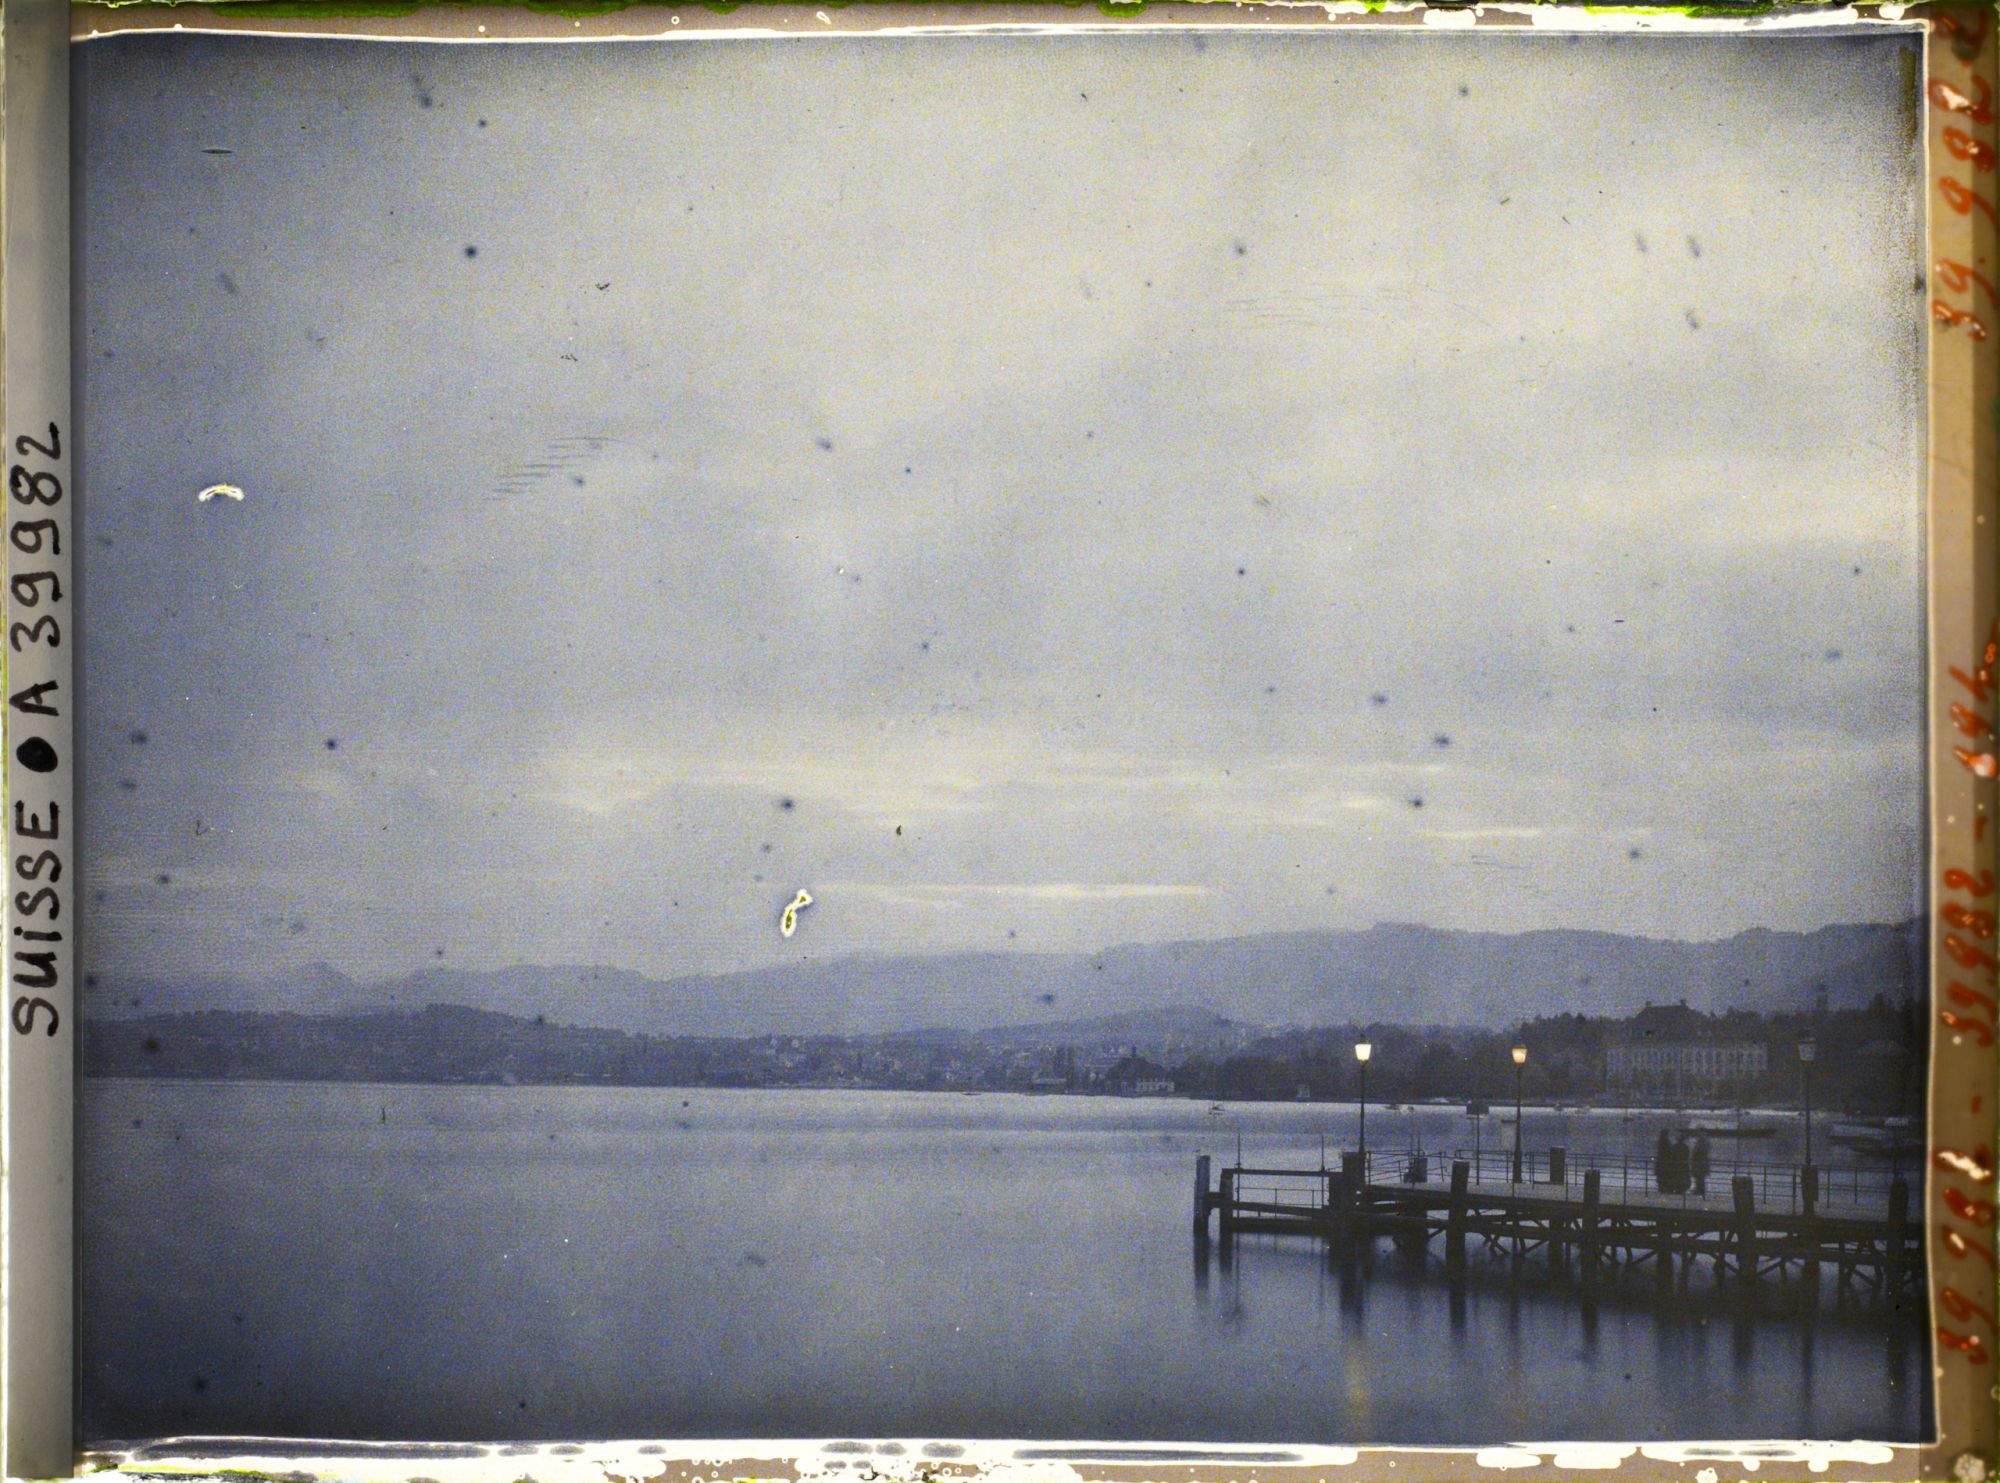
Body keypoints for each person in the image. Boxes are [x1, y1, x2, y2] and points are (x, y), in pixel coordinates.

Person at [1654, 1128, 1674, 1194]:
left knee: (1662, 1178)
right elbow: (1669, 1152)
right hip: (1666, 1163)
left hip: (1661, 1163)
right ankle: (1665, 1189)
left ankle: (1662, 1189)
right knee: (1666, 1177)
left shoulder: (1661, 1142)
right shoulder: (1667, 1142)